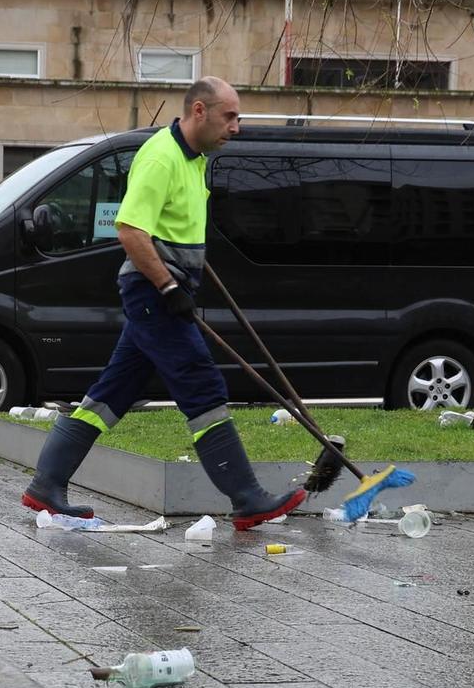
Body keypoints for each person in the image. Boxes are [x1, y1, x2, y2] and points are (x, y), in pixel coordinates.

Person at [21, 76, 305, 530]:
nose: (237, 127)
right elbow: (131, 230)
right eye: (229, 117)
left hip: (166, 288)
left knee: (109, 395)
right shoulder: (160, 157)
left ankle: (46, 486)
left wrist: (190, 267)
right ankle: (247, 497)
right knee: (201, 385)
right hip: (154, 293)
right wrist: (171, 288)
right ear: (199, 111)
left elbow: (171, 225)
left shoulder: (194, 159)